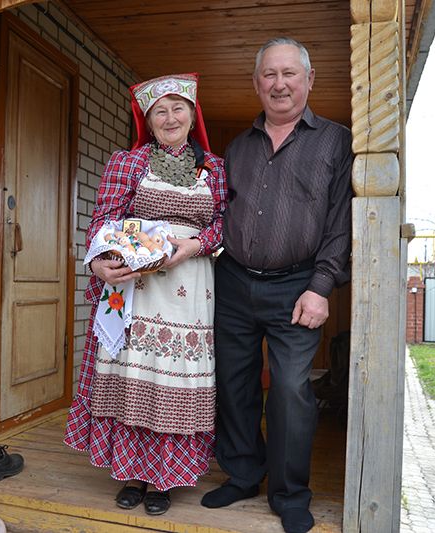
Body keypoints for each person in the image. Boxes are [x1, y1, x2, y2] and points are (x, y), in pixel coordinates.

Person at [201, 38, 352, 533]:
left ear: (309, 81)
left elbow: (341, 222)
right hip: (234, 282)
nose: (279, 83)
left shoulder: (336, 141)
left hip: (298, 287)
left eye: (290, 73)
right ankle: (243, 474)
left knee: (289, 389)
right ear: (256, 83)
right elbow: (216, 214)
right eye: (269, 74)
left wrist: (322, 285)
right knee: (233, 382)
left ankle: (289, 494)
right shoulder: (237, 148)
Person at [64, 73, 228, 516]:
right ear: (148, 120)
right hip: (136, 290)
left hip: (190, 288)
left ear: (192, 116)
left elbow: (223, 225)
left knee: (173, 379)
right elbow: (102, 221)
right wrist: (97, 262)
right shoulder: (128, 163)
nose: (170, 117)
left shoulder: (214, 169)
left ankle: (164, 478)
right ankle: (134, 474)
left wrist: (192, 246)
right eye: (161, 111)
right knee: (136, 379)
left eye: (179, 108)